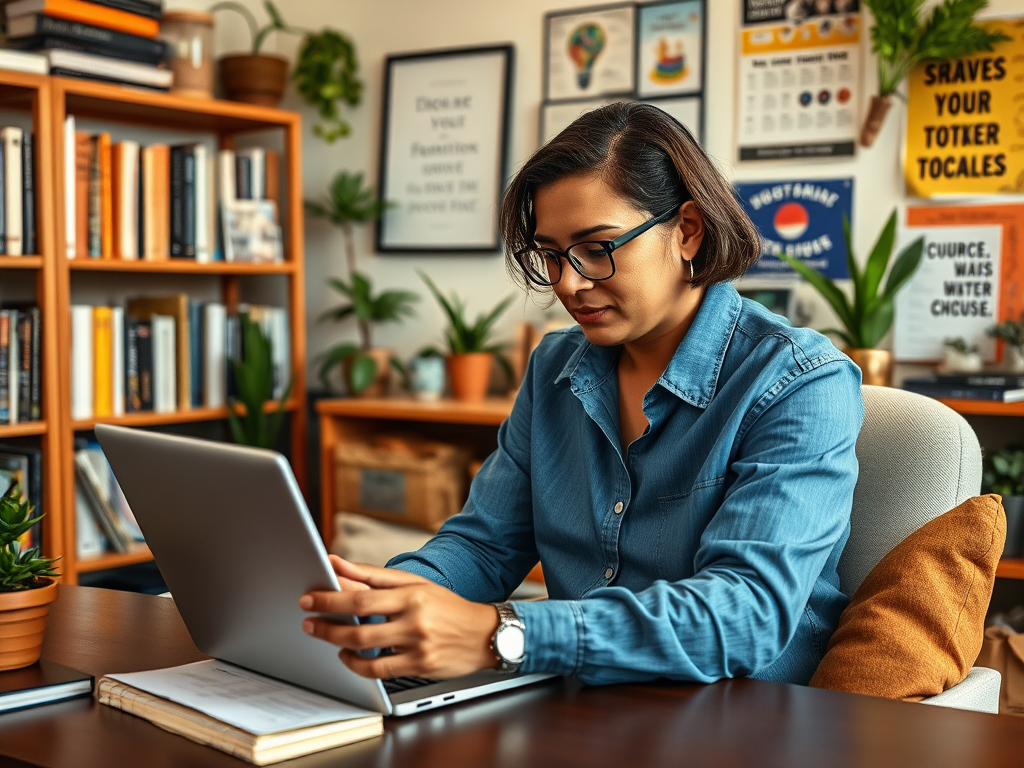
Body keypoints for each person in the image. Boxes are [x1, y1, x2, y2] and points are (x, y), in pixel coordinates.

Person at [299, 102, 864, 687]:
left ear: (688, 232)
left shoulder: (801, 383)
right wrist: (381, 604)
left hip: (738, 720)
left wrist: (500, 635)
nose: (568, 283)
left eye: (598, 249)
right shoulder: (554, 369)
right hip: (582, 702)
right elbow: (486, 544)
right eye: (551, 254)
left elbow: (745, 616)